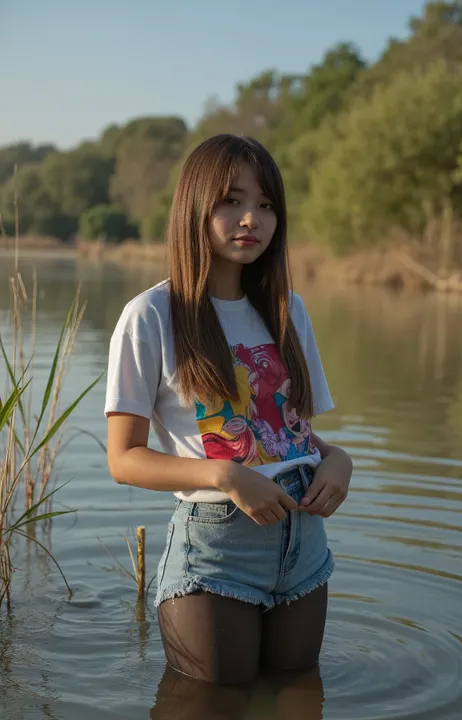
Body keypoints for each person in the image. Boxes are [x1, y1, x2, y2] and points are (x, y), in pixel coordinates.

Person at [105, 134, 353, 685]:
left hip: (304, 545)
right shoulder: (151, 315)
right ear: (195, 207)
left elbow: (294, 436)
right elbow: (123, 460)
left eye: (265, 205)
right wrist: (224, 473)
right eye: (232, 201)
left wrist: (339, 460)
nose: (251, 219)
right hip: (216, 550)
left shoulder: (288, 313)